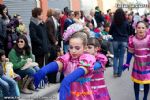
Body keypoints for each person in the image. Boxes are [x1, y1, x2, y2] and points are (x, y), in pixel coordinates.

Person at [33, 23, 98, 100]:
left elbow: (81, 70)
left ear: (85, 48)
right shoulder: (68, 57)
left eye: (77, 48)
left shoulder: (88, 58)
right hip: (68, 95)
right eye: (71, 47)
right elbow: (59, 63)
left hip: (83, 96)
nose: (73, 51)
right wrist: (44, 70)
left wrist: (67, 80)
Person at [123, 21, 150, 100]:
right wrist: (127, 63)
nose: (140, 29)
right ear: (136, 29)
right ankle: (137, 98)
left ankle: (145, 98)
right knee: (136, 82)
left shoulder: (149, 39)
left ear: (146, 29)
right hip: (137, 65)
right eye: (139, 28)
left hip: (147, 65)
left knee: (147, 82)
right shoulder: (132, 39)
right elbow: (130, 52)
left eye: (143, 28)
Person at [109, 8, 130, 77]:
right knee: (121, 57)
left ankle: (115, 72)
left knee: (115, 57)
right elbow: (129, 32)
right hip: (124, 41)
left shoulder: (114, 22)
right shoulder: (126, 22)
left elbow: (110, 32)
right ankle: (119, 73)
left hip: (115, 41)